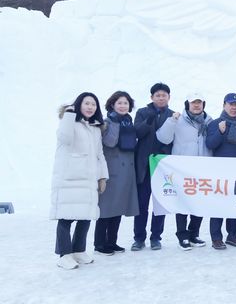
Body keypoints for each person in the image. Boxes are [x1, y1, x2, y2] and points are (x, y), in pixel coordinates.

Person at [51, 92, 108, 270]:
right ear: (78, 105)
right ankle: (64, 254)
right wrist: (69, 114)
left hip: (89, 178)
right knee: (66, 217)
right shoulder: (69, 123)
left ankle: (78, 250)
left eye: (93, 104)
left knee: (86, 217)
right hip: (70, 177)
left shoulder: (95, 128)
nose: (90, 107)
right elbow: (64, 138)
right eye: (86, 103)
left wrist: (102, 176)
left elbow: (100, 154)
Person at [157, 92, 213, 250]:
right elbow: (163, 138)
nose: (196, 105)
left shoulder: (209, 121)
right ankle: (182, 236)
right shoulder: (178, 119)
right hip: (182, 169)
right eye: (193, 103)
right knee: (183, 203)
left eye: (199, 102)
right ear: (187, 104)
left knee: (199, 203)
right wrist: (171, 121)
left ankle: (194, 234)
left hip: (202, 168)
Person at [94, 91, 139, 256]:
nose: (123, 106)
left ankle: (112, 242)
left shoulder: (128, 122)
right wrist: (114, 123)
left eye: (126, 103)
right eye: (119, 103)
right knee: (106, 209)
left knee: (118, 208)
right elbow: (110, 142)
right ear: (112, 104)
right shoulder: (106, 122)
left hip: (126, 172)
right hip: (111, 171)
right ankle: (99, 244)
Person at [132, 82, 174, 251]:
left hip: (163, 167)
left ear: (169, 97)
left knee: (160, 204)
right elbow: (138, 133)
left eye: (164, 95)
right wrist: (149, 119)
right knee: (142, 205)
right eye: (158, 95)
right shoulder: (142, 112)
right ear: (152, 97)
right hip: (144, 165)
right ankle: (139, 238)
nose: (161, 98)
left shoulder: (173, 115)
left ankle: (156, 237)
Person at [206, 93, 236, 250]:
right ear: (224, 105)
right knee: (218, 206)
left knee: (234, 205)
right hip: (219, 172)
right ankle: (216, 238)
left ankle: (233, 235)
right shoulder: (215, 123)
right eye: (231, 104)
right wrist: (220, 132)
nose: (234, 107)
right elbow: (210, 144)